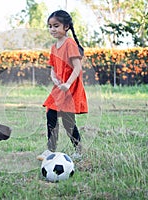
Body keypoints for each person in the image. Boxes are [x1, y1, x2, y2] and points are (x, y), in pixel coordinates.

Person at [37, 10, 88, 161]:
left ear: (66, 26)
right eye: (50, 26)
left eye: (56, 26)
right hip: (59, 88)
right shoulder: (54, 47)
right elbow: (53, 68)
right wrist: (54, 78)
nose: (52, 29)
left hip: (70, 87)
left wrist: (67, 83)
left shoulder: (69, 44)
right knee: (50, 114)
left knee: (68, 121)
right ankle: (50, 150)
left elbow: (77, 68)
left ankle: (78, 150)